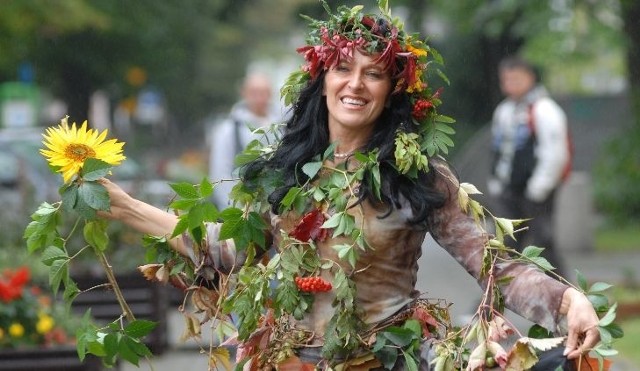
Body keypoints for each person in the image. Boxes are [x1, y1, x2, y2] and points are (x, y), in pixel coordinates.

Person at [99, 4, 598, 370]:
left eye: (374, 73)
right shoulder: (286, 172)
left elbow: (494, 266)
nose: (355, 84)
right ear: (323, 79)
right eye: (343, 68)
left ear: (392, 89)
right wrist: (126, 208)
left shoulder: (417, 176)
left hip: (387, 359)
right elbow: (229, 251)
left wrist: (567, 302)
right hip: (288, 361)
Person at [488, 56, 571, 276]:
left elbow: (554, 152)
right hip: (509, 190)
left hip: (535, 191)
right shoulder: (504, 111)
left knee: (543, 243)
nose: (511, 83)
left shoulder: (544, 109)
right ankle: (492, 296)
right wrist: (497, 181)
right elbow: (499, 150)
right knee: (505, 247)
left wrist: (538, 188)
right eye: (506, 79)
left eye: (516, 78)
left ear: (530, 78)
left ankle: (567, 294)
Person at [209, 72, 281, 208]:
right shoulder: (228, 130)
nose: (259, 98)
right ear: (244, 93)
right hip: (243, 209)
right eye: (254, 92)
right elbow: (220, 173)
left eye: (264, 92)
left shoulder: (282, 127)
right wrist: (237, 211)